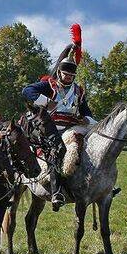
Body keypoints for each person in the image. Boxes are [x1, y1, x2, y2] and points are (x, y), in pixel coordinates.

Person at [22, 23, 93, 208]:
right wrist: (47, 102)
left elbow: (86, 111)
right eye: (65, 74)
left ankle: (98, 185)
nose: (68, 77)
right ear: (59, 72)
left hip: (72, 127)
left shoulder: (78, 91)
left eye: (71, 75)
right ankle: (57, 191)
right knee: (56, 150)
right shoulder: (49, 85)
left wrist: (89, 120)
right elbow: (27, 91)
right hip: (49, 127)